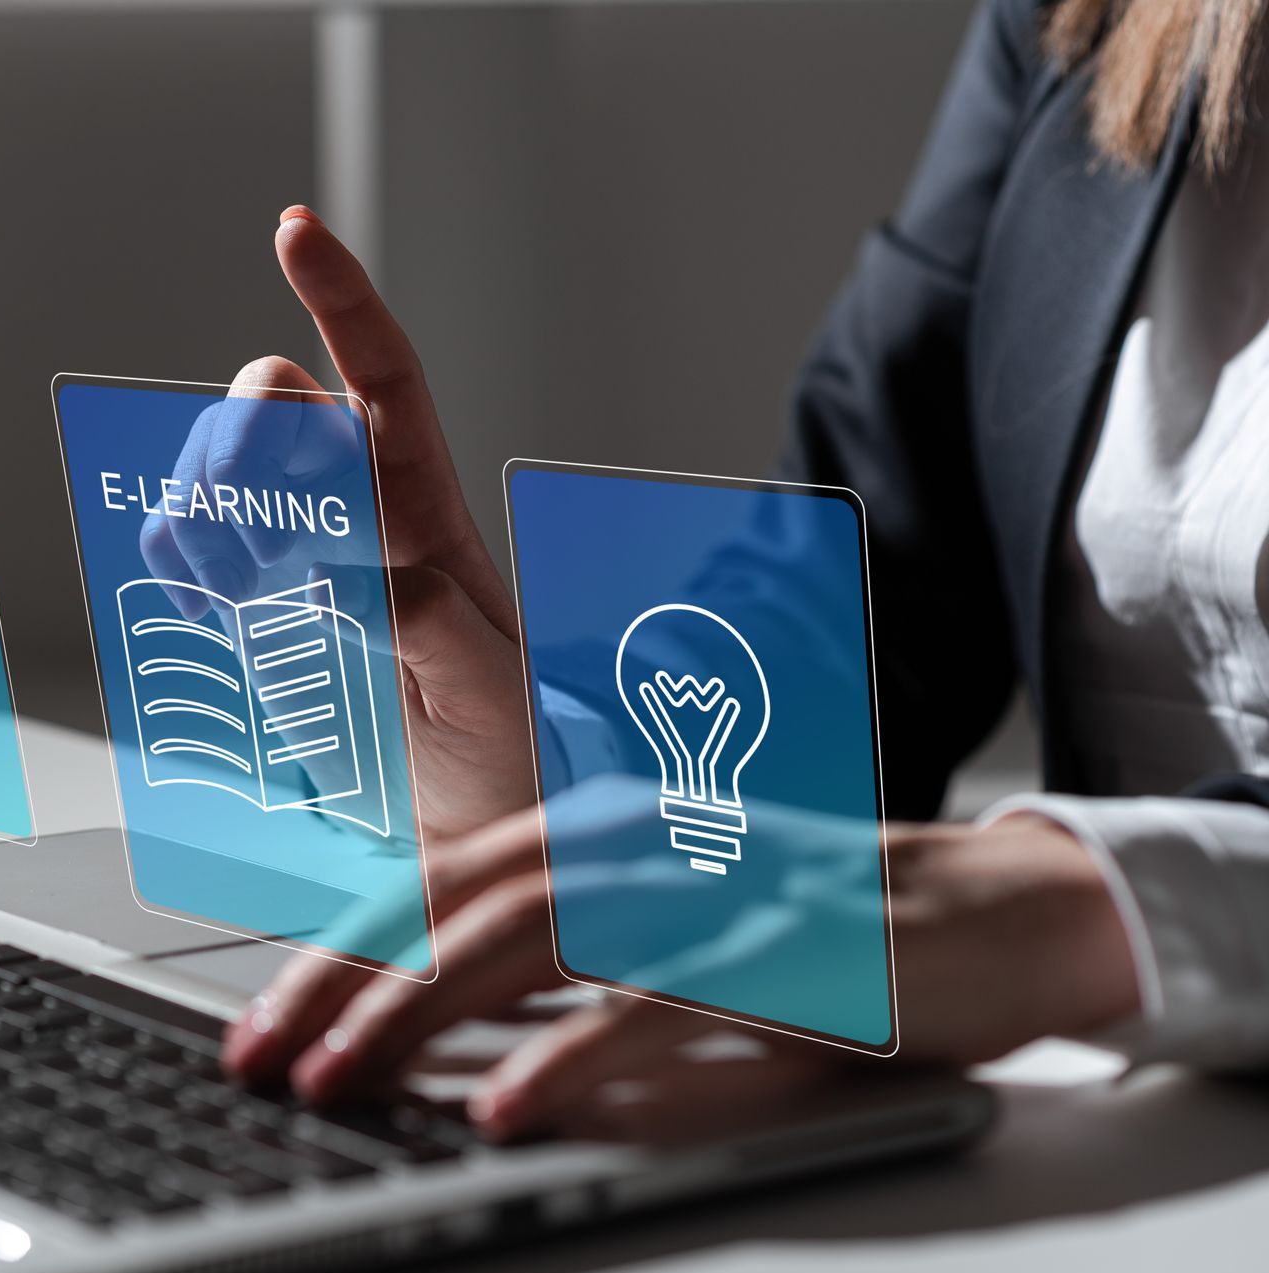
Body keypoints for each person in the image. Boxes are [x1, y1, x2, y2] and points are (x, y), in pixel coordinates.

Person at [158, 0, 1269, 1139]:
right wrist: (568, 761)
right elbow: (864, 588)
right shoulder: (1076, 23)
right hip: (1124, 1137)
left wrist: (1103, 906)